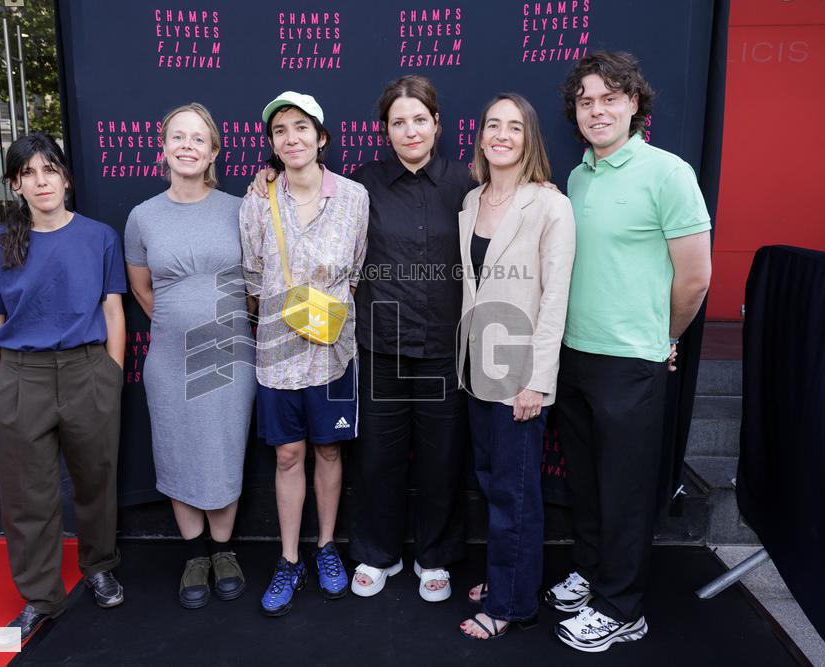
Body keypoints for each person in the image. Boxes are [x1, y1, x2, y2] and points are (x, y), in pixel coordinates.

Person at [250, 75, 476, 602]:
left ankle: (436, 557)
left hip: (445, 347)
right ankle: (377, 553)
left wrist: (540, 189)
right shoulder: (360, 185)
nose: (410, 130)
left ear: (437, 124)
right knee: (377, 458)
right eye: (399, 121)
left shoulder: (466, 185)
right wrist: (268, 180)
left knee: (443, 459)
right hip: (377, 346)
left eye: (420, 119)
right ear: (385, 130)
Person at [546, 51, 712, 652]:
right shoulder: (579, 177)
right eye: (586, 101)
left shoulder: (670, 173)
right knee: (587, 486)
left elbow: (695, 278)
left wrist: (661, 339)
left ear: (635, 103)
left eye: (610, 97)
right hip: (575, 354)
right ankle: (593, 577)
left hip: (631, 362)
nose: (598, 110)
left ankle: (623, 609)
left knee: (625, 492)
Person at [0, 132, 127, 645]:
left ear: (66, 176)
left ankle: (98, 567)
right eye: (28, 173)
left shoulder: (99, 237)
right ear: (15, 185)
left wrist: (111, 373)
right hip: (21, 377)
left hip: (86, 372)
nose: (41, 180)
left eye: (49, 169)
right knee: (27, 495)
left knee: (96, 481)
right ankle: (40, 596)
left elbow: (113, 309)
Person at [239, 91, 369, 616]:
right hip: (276, 352)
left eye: (300, 128)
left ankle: (326, 548)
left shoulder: (355, 197)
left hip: (335, 351)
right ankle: (289, 559)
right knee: (288, 455)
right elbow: (252, 274)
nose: (291, 138)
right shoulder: (257, 200)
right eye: (280, 131)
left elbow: (356, 270)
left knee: (330, 452)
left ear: (321, 137)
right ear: (272, 144)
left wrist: (323, 314)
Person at [124, 103, 256, 609]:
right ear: (163, 148)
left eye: (198, 139)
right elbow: (142, 289)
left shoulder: (239, 208)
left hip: (230, 354)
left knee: (223, 447)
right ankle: (194, 555)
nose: (187, 146)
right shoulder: (143, 217)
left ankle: (224, 552)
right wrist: (183, 323)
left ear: (214, 151)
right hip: (170, 360)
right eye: (177, 137)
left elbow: (255, 285)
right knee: (177, 448)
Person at [456, 93, 576, 639]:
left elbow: (555, 299)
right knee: (490, 482)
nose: (501, 135)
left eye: (514, 127)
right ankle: (507, 577)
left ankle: (510, 604)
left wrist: (537, 380)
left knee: (516, 494)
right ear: (480, 136)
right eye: (491, 125)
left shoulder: (550, 204)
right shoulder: (470, 201)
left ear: (529, 138)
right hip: (476, 370)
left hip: (520, 378)